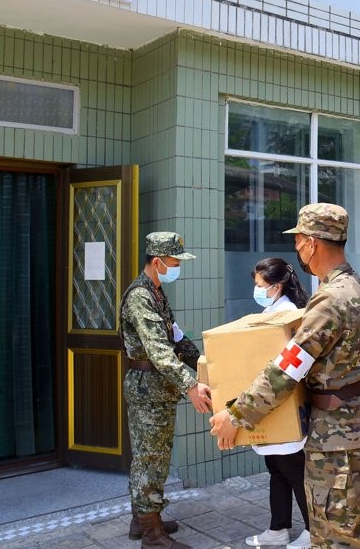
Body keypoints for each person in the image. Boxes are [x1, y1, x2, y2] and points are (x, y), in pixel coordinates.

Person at [209, 204, 360, 549]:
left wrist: (236, 413)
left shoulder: (329, 300)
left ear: (312, 244)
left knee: (335, 537)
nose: (297, 248)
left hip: (338, 441)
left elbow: (287, 369)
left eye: (299, 240)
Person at [121, 232, 212, 549]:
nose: (177, 268)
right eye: (174, 263)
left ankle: (144, 519)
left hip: (159, 389)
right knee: (150, 461)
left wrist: (202, 362)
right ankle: (151, 535)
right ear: (157, 262)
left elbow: (175, 337)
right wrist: (191, 385)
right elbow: (159, 351)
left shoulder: (157, 293)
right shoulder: (140, 298)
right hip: (147, 390)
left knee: (153, 458)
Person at [245, 257, 312, 549]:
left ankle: (313, 531)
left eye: (260, 285)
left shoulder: (286, 314)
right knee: (277, 470)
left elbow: (287, 366)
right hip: (270, 405)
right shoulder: (271, 310)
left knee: (296, 473)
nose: (257, 289)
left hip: (283, 405)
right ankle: (278, 528)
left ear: (276, 286)